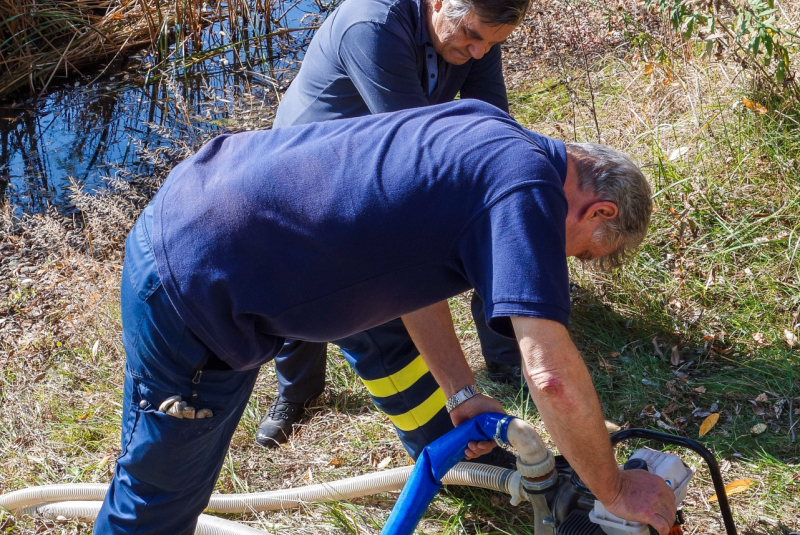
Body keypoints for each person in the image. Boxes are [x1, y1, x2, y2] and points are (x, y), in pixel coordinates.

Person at [94, 100, 676, 535]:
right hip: (199, 285)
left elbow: (410, 273)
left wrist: (460, 390)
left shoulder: (492, 134)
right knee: (157, 504)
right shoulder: (527, 191)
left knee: (162, 479)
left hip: (204, 222)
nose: (560, 261)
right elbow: (547, 374)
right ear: (597, 208)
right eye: (578, 252)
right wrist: (616, 488)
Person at [259, 0, 533, 452]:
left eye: (492, 42)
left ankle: (506, 358)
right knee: (303, 288)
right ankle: (298, 390)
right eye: (472, 36)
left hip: (377, 154)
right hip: (306, 170)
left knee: (494, 200)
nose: (481, 52)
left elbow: (493, 129)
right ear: (440, 2)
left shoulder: (478, 30)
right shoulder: (374, 24)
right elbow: (418, 151)